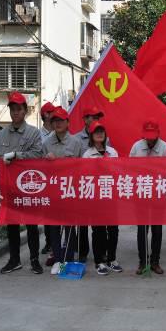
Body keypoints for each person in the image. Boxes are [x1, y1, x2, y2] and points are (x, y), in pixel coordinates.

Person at [0, 92, 43, 274]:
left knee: (31, 225)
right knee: (12, 225)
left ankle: (34, 259)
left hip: (29, 186)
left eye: (19, 109)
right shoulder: (2, 134)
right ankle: (14, 260)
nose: (15, 112)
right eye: (12, 109)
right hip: (9, 188)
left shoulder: (33, 133)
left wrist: (17, 155)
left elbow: (38, 155)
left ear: (25, 111)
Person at [42, 106, 83, 275]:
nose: (57, 123)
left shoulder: (76, 142)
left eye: (61, 120)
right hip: (53, 190)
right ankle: (58, 259)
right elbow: (41, 168)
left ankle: (69, 258)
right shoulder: (46, 143)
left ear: (68, 122)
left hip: (70, 190)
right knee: (54, 227)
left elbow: (82, 167)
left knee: (69, 227)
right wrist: (47, 161)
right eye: (55, 121)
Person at [129, 119, 166, 275]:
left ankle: (155, 261)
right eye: (147, 135)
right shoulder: (136, 147)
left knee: (157, 229)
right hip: (142, 192)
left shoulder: (165, 148)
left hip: (158, 193)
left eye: (152, 135)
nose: (150, 139)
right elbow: (130, 169)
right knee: (142, 229)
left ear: (158, 134)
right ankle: (143, 261)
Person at [82, 121, 122, 275]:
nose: (99, 134)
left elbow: (118, 171)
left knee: (113, 230)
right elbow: (85, 176)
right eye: (96, 132)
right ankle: (99, 261)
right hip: (96, 198)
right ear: (91, 135)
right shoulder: (87, 155)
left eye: (101, 132)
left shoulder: (113, 152)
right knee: (98, 230)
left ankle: (112, 259)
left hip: (110, 196)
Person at [72, 106, 105, 263]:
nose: (96, 119)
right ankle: (82, 251)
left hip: (101, 186)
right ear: (85, 119)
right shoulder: (76, 139)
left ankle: (101, 252)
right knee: (82, 223)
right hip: (83, 185)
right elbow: (74, 162)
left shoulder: (104, 136)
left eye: (98, 117)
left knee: (100, 222)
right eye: (93, 117)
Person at [39, 101, 56, 256]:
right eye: (51, 113)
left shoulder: (59, 132)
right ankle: (49, 242)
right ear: (45, 115)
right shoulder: (38, 135)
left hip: (58, 177)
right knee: (47, 212)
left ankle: (59, 242)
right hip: (44, 177)